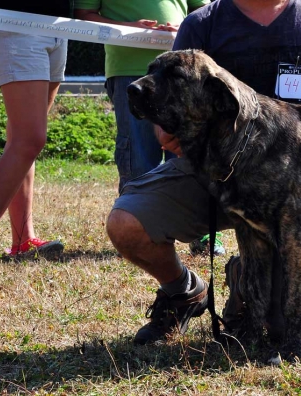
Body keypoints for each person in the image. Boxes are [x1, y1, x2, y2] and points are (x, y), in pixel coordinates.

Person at [105, 0, 301, 346]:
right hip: (210, 176)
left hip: (294, 193)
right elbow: (165, 120)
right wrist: (171, 129)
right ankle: (183, 292)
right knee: (127, 224)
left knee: (296, 333)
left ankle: (246, 279)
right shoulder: (203, 22)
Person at [74, 0, 225, 256]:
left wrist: (184, 29)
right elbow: (83, 14)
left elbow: (205, 10)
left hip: (183, 77)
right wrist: (129, 29)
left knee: (191, 157)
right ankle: (141, 234)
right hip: (129, 72)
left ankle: (205, 235)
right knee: (139, 157)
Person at [0, 1, 73, 259]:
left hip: (60, 25)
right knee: (29, 140)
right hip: (17, 23)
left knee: (22, 140)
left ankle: (23, 240)